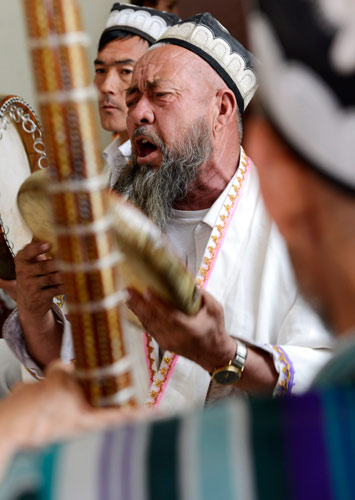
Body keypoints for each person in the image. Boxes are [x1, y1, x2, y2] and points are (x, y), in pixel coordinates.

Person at [1, 2, 355, 498]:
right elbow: (85, 362)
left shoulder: (289, 226)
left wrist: (223, 354)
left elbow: (326, 383)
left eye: (159, 95)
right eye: (132, 97)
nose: (137, 113)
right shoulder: (120, 211)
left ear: (222, 109)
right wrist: (37, 313)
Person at [94, 2, 179, 185]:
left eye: (125, 71)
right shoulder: (112, 161)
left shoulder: (169, 174)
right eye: (100, 70)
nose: (106, 86)